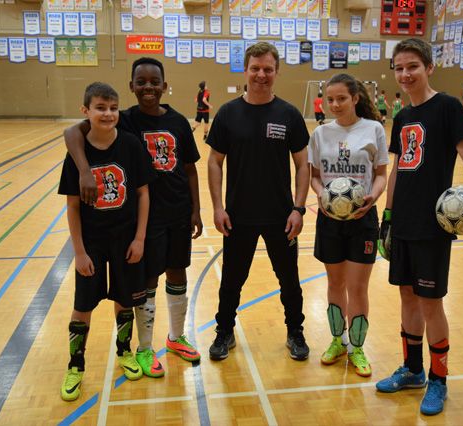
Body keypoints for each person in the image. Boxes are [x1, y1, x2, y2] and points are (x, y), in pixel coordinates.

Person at [376, 38, 463, 416]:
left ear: (429, 67)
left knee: (431, 303)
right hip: (402, 222)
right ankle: (413, 369)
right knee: (406, 296)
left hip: (434, 224)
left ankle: (439, 379)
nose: (405, 74)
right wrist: (387, 216)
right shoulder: (400, 116)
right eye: (399, 67)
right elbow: (399, 168)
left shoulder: (447, 107)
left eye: (412, 66)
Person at [64, 57, 203, 379]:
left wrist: (196, 209)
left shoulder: (180, 122)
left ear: (164, 85)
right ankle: (144, 347)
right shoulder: (123, 119)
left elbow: (190, 168)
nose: (148, 87)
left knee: (178, 272)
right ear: (132, 87)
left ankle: (176, 337)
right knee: (147, 280)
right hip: (147, 218)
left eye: (155, 81)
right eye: (141, 82)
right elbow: (72, 132)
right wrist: (84, 170)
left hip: (179, 212)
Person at [206, 42, 311, 361]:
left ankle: (296, 331)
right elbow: (214, 161)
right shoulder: (228, 113)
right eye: (255, 68)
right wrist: (217, 207)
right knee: (232, 281)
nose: (261, 74)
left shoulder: (289, 114)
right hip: (238, 216)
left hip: (281, 216)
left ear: (276, 72)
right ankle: (224, 331)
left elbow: (303, 164)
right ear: (246, 70)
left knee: (290, 281)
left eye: (267, 69)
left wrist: (298, 208)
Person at [58, 82, 157, 401]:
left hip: (126, 238)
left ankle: (124, 351)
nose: (108, 113)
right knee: (82, 305)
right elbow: (72, 205)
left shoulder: (130, 145)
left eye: (113, 108)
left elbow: (143, 193)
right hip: (92, 243)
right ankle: (76, 365)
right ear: (85, 111)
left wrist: (140, 238)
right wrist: (79, 251)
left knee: (125, 298)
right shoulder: (76, 152)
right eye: (100, 108)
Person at [308, 73, 388, 377]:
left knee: (357, 287)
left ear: (355, 98)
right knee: (335, 284)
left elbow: (381, 173)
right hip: (330, 220)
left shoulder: (373, 129)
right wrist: (323, 197)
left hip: (363, 219)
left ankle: (356, 348)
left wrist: (373, 195)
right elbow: (314, 175)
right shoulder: (320, 134)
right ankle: (337, 341)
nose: (335, 104)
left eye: (341, 98)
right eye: (330, 99)